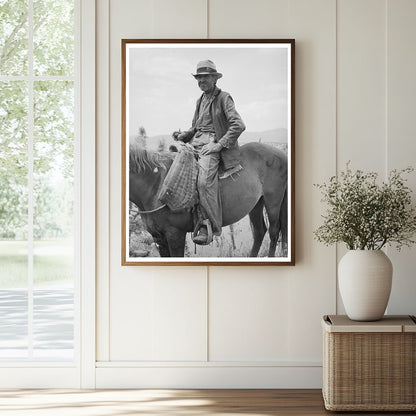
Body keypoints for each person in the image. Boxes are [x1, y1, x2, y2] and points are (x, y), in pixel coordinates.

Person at [173, 59, 246, 245]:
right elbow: (195, 127)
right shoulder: (200, 100)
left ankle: (209, 226)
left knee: (204, 182)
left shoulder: (224, 98)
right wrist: (184, 135)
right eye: (198, 78)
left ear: (214, 78)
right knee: (175, 172)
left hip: (212, 144)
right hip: (196, 143)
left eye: (205, 77)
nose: (201, 81)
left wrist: (218, 145)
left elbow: (238, 125)